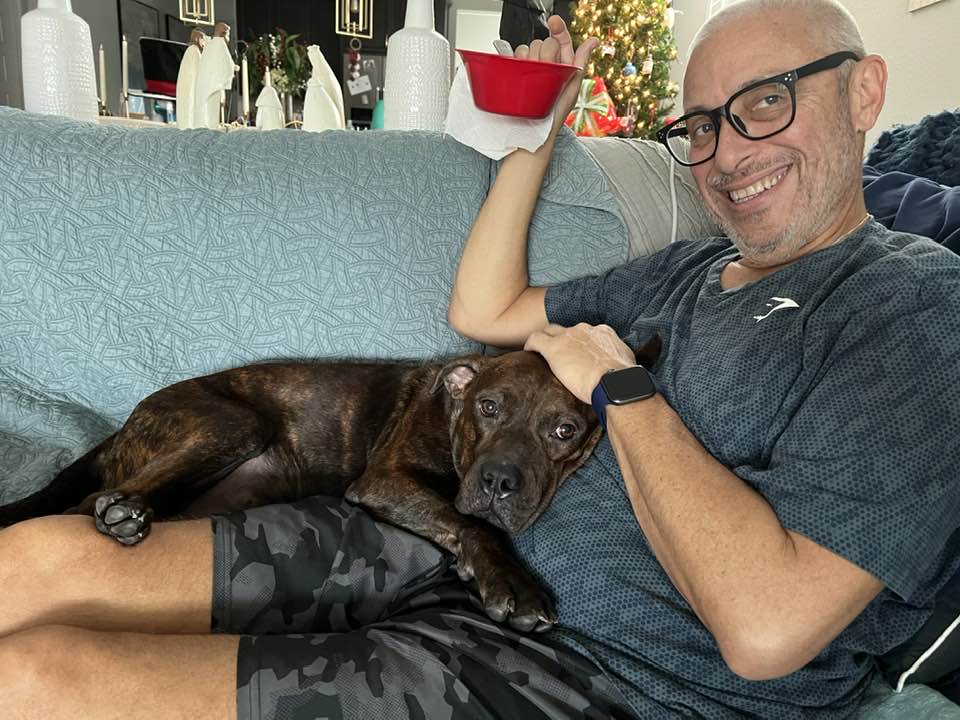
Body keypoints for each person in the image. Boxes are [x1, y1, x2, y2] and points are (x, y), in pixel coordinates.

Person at [0, 2, 957, 719]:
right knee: (32, 563)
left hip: (602, 678)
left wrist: (622, 390)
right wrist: (540, 137)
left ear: (864, 89)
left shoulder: (915, 309)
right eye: (700, 124)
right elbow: (485, 310)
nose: (727, 151)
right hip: (451, 542)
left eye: (766, 103)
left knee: (38, 681)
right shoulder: (692, 271)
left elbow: (767, 633)